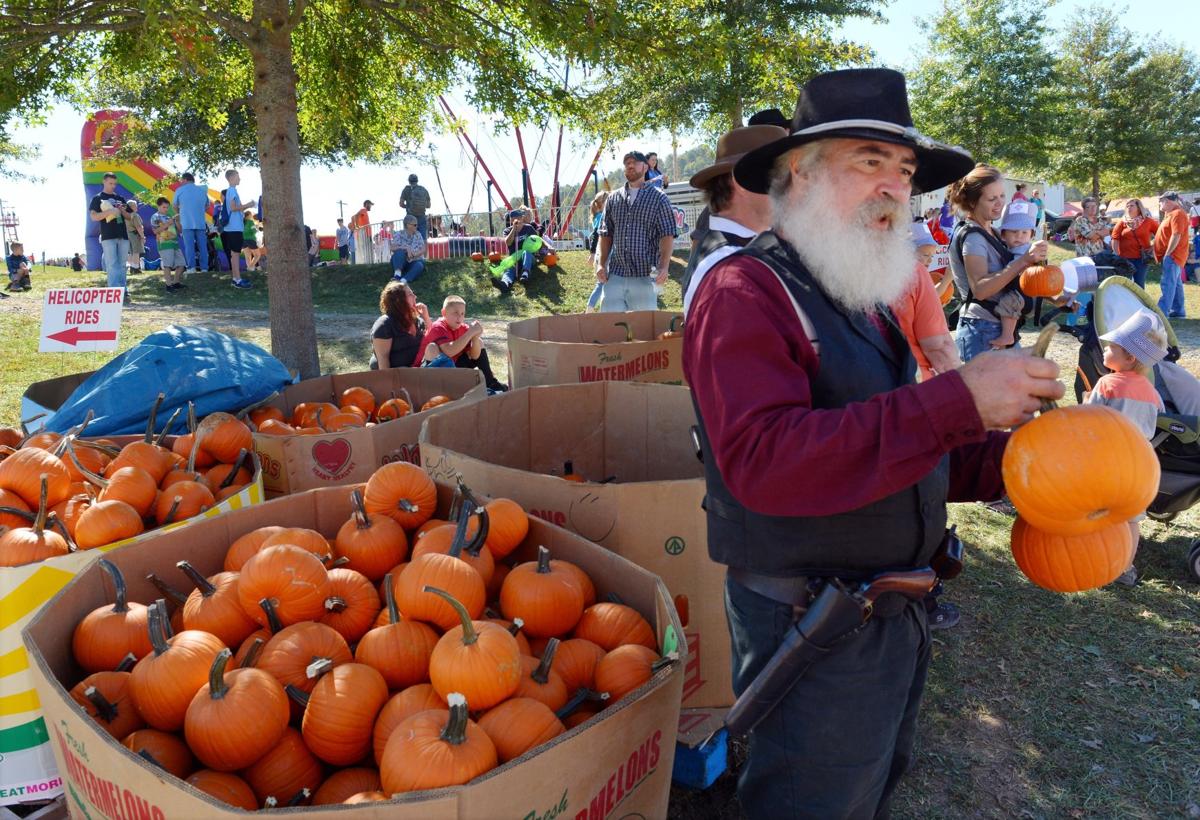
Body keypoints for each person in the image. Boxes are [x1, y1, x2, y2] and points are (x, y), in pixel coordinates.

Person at [685, 68, 1064, 818]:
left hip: (889, 617)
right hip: (813, 624)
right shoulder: (744, 293)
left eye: (905, 171)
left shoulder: (858, 300)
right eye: (869, 162)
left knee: (868, 791)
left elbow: (903, 451)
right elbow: (765, 462)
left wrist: (1035, 463)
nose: (896, 186)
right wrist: (956, 400)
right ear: (796, 174)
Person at [1084, 309, 1168, 586]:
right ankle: (1126, 570)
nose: (1105, 350)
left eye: (1111, 348)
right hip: (1140, 465)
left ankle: (1101, 562)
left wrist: (1087, 401)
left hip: (1109, 465)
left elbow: (1090, 422)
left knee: (1104, 516)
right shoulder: (1152, 393)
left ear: (1129, 357)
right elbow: (1153, 422)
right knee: (1131, 520)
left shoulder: (1107, 384)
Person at [681, 124, 785, 317]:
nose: (792, 186)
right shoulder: (732, 273)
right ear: (742, 183)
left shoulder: (737, 252)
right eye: (781, 175)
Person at [947, 164, 1047, 361]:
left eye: (1002, 196)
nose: (1000, 203)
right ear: (973, 202)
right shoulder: (973, 238)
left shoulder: (993, 232)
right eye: (992, 199)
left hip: (996, 327)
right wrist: (1024, 261)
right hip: (982, 330)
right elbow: (981, 290)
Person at [596, 151, 678, 312]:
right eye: (626, 163)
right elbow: (605, 235)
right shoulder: (613, 199)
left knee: (645, 331)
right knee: (609, 329)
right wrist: (600, 264)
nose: (630, 165)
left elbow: (667, 235)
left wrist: (664, 267)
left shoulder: (659, 198)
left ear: (646, 166)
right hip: (615, 276)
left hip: (645, 276)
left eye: (634, 162)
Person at [897, 222, 960, 381]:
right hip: (915, 372)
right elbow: (937, 345)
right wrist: (946, 280)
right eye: (925, 254)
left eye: (931, 256)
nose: (929, 260)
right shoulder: (916, 275)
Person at [415, 295, 508, 392]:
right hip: (428, 372)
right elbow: (449, 351)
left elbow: (475, 356)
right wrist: (471, 333)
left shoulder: (463, 328)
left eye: (462, 314)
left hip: (452, 368)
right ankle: (443, 389)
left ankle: (490, 383)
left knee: (478, 343)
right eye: (455, 313)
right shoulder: (438, 327)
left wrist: (475, 338)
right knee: (432, 348)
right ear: (444, 313)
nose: (459, 317)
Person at [993, 200, 1041, 349]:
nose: (1019, 236)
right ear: (1003, 235)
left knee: (1009, 303)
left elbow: (1014, 267)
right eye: (1014, 231)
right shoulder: (1011, 248)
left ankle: (1007, 335)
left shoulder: (1025, 250)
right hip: (1024, 290)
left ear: (1031, 235)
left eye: (1024, 232)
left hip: (1021, 292)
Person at [369, 279, 431, 369]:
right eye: (410, 294)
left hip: (415, 371)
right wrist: (388, 382)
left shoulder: (418, 321)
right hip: (393, 374)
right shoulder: (384, 325)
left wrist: (426, 318)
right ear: (399, 300)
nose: (415, 297)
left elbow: (432, 339)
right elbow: (383, 359)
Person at [88, 172, 130, 295]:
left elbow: (129, 216)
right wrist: (110, 211)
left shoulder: (120, 198)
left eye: (114, 184)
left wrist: (122, 211)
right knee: (111, 264)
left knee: (122, 264)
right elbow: (94, 217)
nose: (113, 186)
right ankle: (113, 291)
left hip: (123, 235)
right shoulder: (97, 198)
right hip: (108, 236)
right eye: (110, 183)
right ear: (104, 182)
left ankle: (123, 290)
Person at [494, 207, 547, 292]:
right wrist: (514, 229)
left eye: (520, 217)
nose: (520, 219)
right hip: (514, 258)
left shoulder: (529, 228)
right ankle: (505, 284)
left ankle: (525, 274)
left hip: (528, 258)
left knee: (526, 252)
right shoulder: (507, 230)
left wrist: (546, 249)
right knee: (509, 268)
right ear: (512, 220)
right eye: (517, 217)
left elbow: (537, 239)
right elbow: (508, 242)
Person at [1155, 191, 1190, 318]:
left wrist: (1168, 253)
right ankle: (1179, 311)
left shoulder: (1177, 213)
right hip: (1174, 255)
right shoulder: (1171, 214)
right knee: (1175, 283)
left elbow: (1176, 235)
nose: (1160, 204)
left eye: (1161, 201)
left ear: (1167, 201)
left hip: (1173, 255)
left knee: (1167, 283)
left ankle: (1162, 311)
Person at [1110, 198, 1158, 289]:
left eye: (1132, 205)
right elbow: (1115, 239)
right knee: (1124, 285)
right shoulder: (1122, 222)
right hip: (1125, 259)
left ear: (1139, 208)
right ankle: (1125, 303)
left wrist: (1153, 246)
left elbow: (1161, 234)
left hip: (1142, 259)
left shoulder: (1148, 221)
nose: (1129, 208)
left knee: (1139, 285)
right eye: (1127, 206)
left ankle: (1139, 303)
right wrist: (1117, 255)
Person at [221, 169, 255, 288]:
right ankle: (237, 280)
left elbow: (234, 209)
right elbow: (233, 208)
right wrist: (249, 205)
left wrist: (244, 207)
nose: (239, 179)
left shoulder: (231, 191)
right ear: (231, 178)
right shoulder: (232, 190)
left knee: (234, 254)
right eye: (237, 177)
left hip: (232, 227)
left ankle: (236, 278)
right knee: (235, 254)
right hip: (234, 228)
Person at [172, 172, 209, 274]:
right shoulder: (202, 190)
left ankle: (191, 268)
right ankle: (204, 268)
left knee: (189, 246)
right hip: (200, 222)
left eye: (181, 181)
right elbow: (207, 205)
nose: (180, 182)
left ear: (185, 180)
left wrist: (181, 213)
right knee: (203, 246)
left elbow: (174, 205)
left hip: (186, 223)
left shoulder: (179, 190)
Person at [150, 197, 186, 292]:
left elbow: (180, 230)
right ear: (158, 206)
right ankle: (168, 285)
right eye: (164, 207)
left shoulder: (169, 216)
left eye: (167, 207)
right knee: (168, 265)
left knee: (182, 264)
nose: (166, 209)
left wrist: (177, 221)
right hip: (164, 244)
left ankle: (176, 282)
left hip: (174, 243)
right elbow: (155, 231)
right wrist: (167, 224)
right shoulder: (155, 217)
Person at [389, 215, 427, 281]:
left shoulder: (418, 234)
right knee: (399, 252)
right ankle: (397, 275)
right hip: (401, 261)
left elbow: (423, 249)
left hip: (414, 260)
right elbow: (392, 248)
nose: (417, 226)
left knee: (419, 265)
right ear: (408, 225)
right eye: (415, 225)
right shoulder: (399, 234)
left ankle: (404, 280)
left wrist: (414, 254)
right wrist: (406, 248)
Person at [399, 174, 432, 239]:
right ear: (417, 181)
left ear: (409, 181)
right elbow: (429, 205)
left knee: (409, 238)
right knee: (422, 238)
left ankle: (411, 249)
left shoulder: (406, 189)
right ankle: (423, 249)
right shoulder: (423, 189)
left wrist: (408, 206)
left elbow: (401, 204)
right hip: (422, 216)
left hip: (410, 217)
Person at [125, 199, 145, 274]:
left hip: (127, 234)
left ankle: (131, 267)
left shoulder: (125, 215)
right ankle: (136, 268)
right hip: (135, 234)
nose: (136, 207)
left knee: (131, 252)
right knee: (136, 252)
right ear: (131, 207)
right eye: (135, 205)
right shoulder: (135, 215)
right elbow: (138, 227)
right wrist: (142, 236)